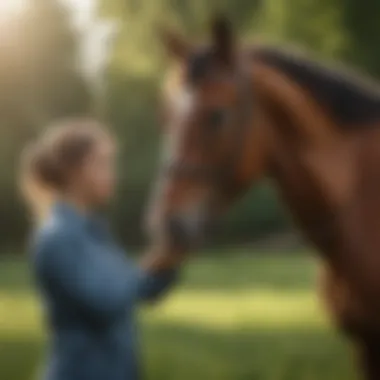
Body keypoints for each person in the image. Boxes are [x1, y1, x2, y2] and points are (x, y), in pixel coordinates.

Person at [20, 119, 184, 380]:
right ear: (74, 171)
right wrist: (152, 263)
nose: (113, 174)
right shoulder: (57, 238)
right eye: (103, 163)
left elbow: (142, 289)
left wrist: (175, 252)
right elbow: (107, 300)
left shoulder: (96, 233)